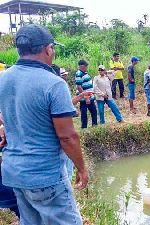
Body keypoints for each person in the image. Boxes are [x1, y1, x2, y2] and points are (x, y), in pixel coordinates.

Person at [0, 24, 88, 224]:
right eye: (53, 49)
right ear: (48, 49)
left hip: (14, 172)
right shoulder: (54, 84)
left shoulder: (3, 78)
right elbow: (67, 136)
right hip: (45, 175)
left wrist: (6, 127)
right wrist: (81, 168)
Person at [75, 59, 98, 129]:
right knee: (84, 113)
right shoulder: (79, 74)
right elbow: (79, 87)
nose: (87, 68)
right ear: (82, 66)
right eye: (86, 66)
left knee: (94, 111)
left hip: (90, 96)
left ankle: (95, 126)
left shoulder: (85, 73)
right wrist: (86, 97)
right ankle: (84, 128)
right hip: (84, 98)